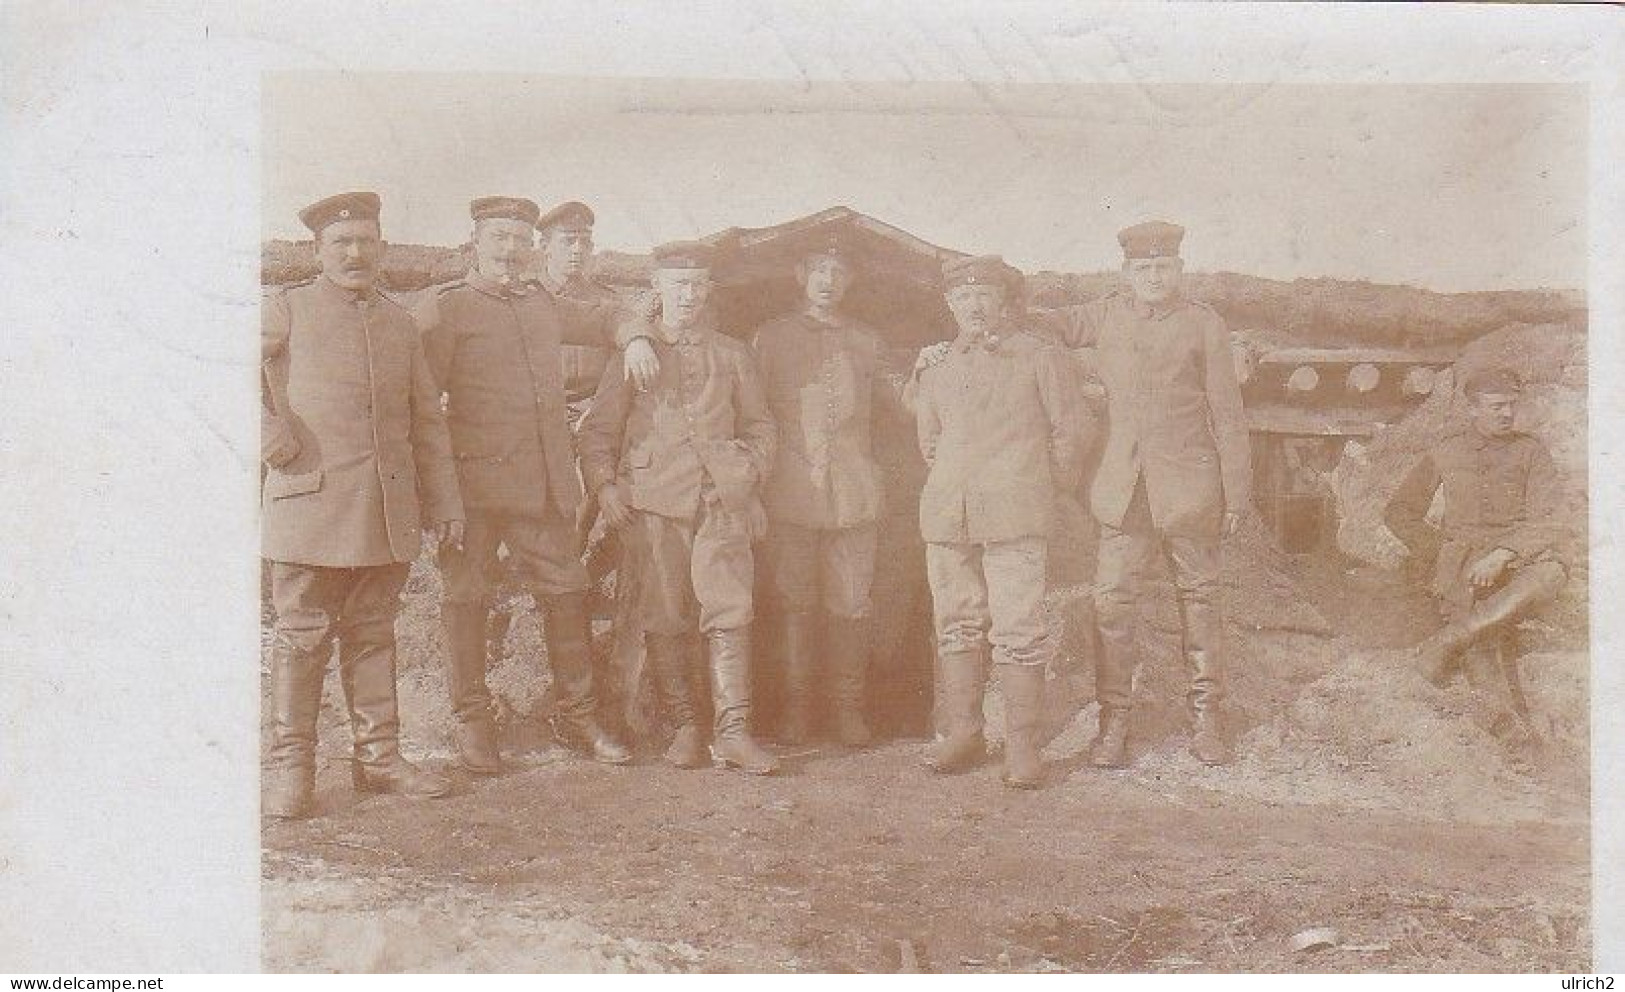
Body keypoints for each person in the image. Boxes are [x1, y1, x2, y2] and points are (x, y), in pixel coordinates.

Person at [417, 196, 660, 772]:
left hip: (541, 490)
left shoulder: (541, 305)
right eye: (499, 237)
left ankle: (576, 717)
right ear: (475, 242)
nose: (511, 250)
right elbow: (419, 403)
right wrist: (438, 493)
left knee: (567, 591)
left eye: (521, 240)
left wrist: (635, 337)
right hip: (471, 491)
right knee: (465, 597)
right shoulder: (444, 309)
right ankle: (472, 720)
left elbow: (604, 318)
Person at [261, 191, 464, 819]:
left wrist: (447, 502)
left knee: (374, 633)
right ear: (318, 250)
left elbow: (427, 421)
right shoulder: (284, 309)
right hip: (309, 506)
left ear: (381, 247)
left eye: (366, 242)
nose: (356, 253)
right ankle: (291, 767)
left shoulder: (400, 322)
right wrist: (270, 433)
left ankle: (378, 758)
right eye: (341, 243)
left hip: (384, 509)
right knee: (301, 637)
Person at [1045, 221, 1251, 767]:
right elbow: (1045, 326)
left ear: (1180, 269)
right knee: (1111, 602)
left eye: (1163, 267)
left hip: (1190, 490)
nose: (1154, 277)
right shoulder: (1107, 313)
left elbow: (1229, 416)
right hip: (1122, 490)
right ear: (1126, 273)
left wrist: (1237, 496)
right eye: (1143, 269)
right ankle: (1113, 722)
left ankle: (1209, 719)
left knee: (1200, 603)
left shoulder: (1203, 324)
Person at [578, 241, 781, 775]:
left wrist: (746, 474)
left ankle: (734, 732)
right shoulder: (635, 353)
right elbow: (598, 432)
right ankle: (685, 726)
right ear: (658, 291)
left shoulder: (732, 354)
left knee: (730, 610)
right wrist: (605, 488)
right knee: (665, 613)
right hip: (655, 502)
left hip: (721, 501)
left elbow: (761, 427)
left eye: (696, 286)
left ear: (708, 290)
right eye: (677, 286)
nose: (687, 297)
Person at [911, 255, 1085, 789]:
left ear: (1004, 302)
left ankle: (1022, 746)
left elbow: (1072, 430)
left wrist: (1043, 487)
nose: (975, 306)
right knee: (957, 623)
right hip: (948, 513)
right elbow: (928, 440)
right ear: (950, 304)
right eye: (964, 298)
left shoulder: (1039, 356)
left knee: (1019, 629)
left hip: (1016, 513)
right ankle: (964, 734)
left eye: (985, 295)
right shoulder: (936, 366)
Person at [751, 236, 912, 746]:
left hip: (853, 496)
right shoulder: (769, 339)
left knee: (850, 603)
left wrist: (930, 370)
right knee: (794, 603)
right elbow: (747, 412)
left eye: (837, 271)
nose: (827, 280)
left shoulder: (867, 341)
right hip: (790, 494)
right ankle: (798, 712)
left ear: (850, 281)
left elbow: (903, 406)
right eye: (818, 268)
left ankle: (848, 713)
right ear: (800, 274)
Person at [1384, 366, 1566, 693]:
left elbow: (1549, 517)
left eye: (1512, 404)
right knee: (1486, 645)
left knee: (1553, 571)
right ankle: (1505, 724)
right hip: (1462, 566)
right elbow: (1399, 512)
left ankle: (1452, 637)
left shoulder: (1532, 451)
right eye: (1497, 406)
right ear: (1474, 409)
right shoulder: (1446, 451)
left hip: (1515, 564)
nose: (1507, 413)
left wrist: (1502, 554)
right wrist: (1441, 552)